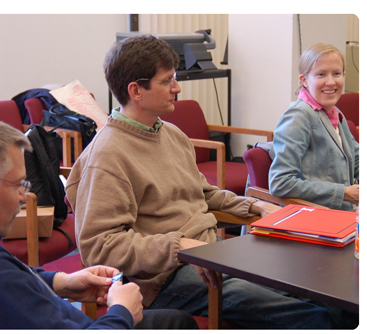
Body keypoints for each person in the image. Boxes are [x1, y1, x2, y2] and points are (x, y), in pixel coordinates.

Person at [65, 35, 358, 329]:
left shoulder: (170, 133)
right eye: (168, 81)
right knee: (315, 316)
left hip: (210, 253)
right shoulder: (107, 156)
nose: (177, 88)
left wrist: (255, 206)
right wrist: (181, 245)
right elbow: (99, 248)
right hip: (164, 277)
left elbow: (203, 194)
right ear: (136, 90)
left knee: (333, 297)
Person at [0, 113, 198, 330]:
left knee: (175, 321)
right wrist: (121, 309)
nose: (23, 196)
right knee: (177, 322)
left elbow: (10, 282)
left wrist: (63, 282)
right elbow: (0, 285)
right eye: (19, 184)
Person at [269, 43, 359, 211]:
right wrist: (344, 193)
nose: (331, 82)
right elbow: (280, 182)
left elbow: (356, 158)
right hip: (316, 216)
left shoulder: (334, 112)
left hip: (345, 212)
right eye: (321, 74)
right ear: (304, 80)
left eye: (337, 74)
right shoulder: (298, 116)